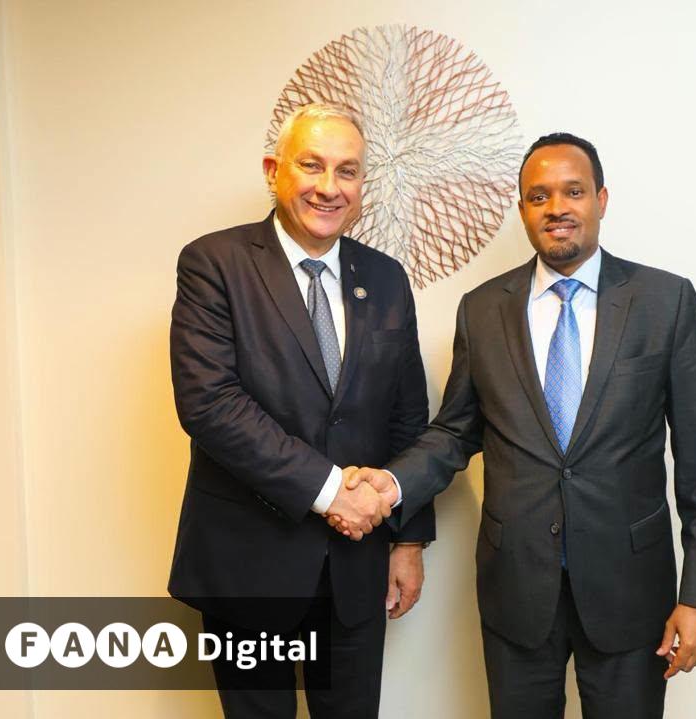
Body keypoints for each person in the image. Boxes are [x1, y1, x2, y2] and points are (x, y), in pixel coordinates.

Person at [334, 132, 696, 718]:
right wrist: (390, 485)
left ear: (601, 199)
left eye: (573, 191)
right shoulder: (482, 309)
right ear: (522, 208)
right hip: (517, 589)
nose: (557, 208)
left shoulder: (664, 302)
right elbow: (455, 432)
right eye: (539, 196)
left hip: (631, 590)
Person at [167, 103, 435, 718]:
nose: (328, 187)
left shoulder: (386, 279)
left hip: (357, 566)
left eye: (347, 171)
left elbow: (408, 418)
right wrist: (331, 490)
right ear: (274, 170)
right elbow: (210, 404)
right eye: (311, 165)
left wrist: (408, 540)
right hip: (248, 564)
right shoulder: (214, 264)